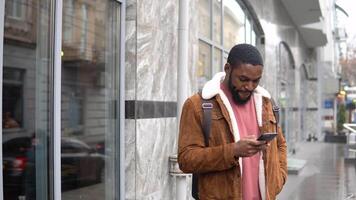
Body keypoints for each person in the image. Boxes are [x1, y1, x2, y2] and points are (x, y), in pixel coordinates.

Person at [178, 44, 287, 200]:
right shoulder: (198, 105)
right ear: (227, 68)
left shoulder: (267, 104)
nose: (249, 86)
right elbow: (186, 159)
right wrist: (233, 151)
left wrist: (279, 178)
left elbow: (280, 144)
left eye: (255, 81)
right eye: (243, 79)